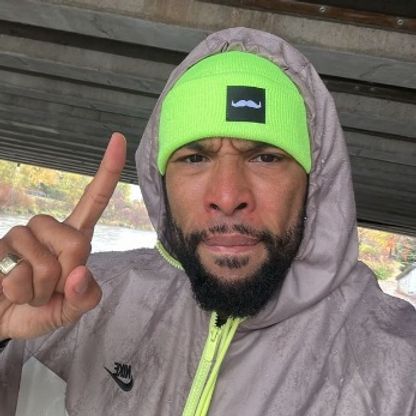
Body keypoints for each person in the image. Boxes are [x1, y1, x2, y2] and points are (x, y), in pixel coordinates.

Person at [0, 27, 415, 416]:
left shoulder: (399, 369)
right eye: (195, 158)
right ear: (162, 183)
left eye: (265, 157)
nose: (228, 197)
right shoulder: (68, 299)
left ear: (314, 182)